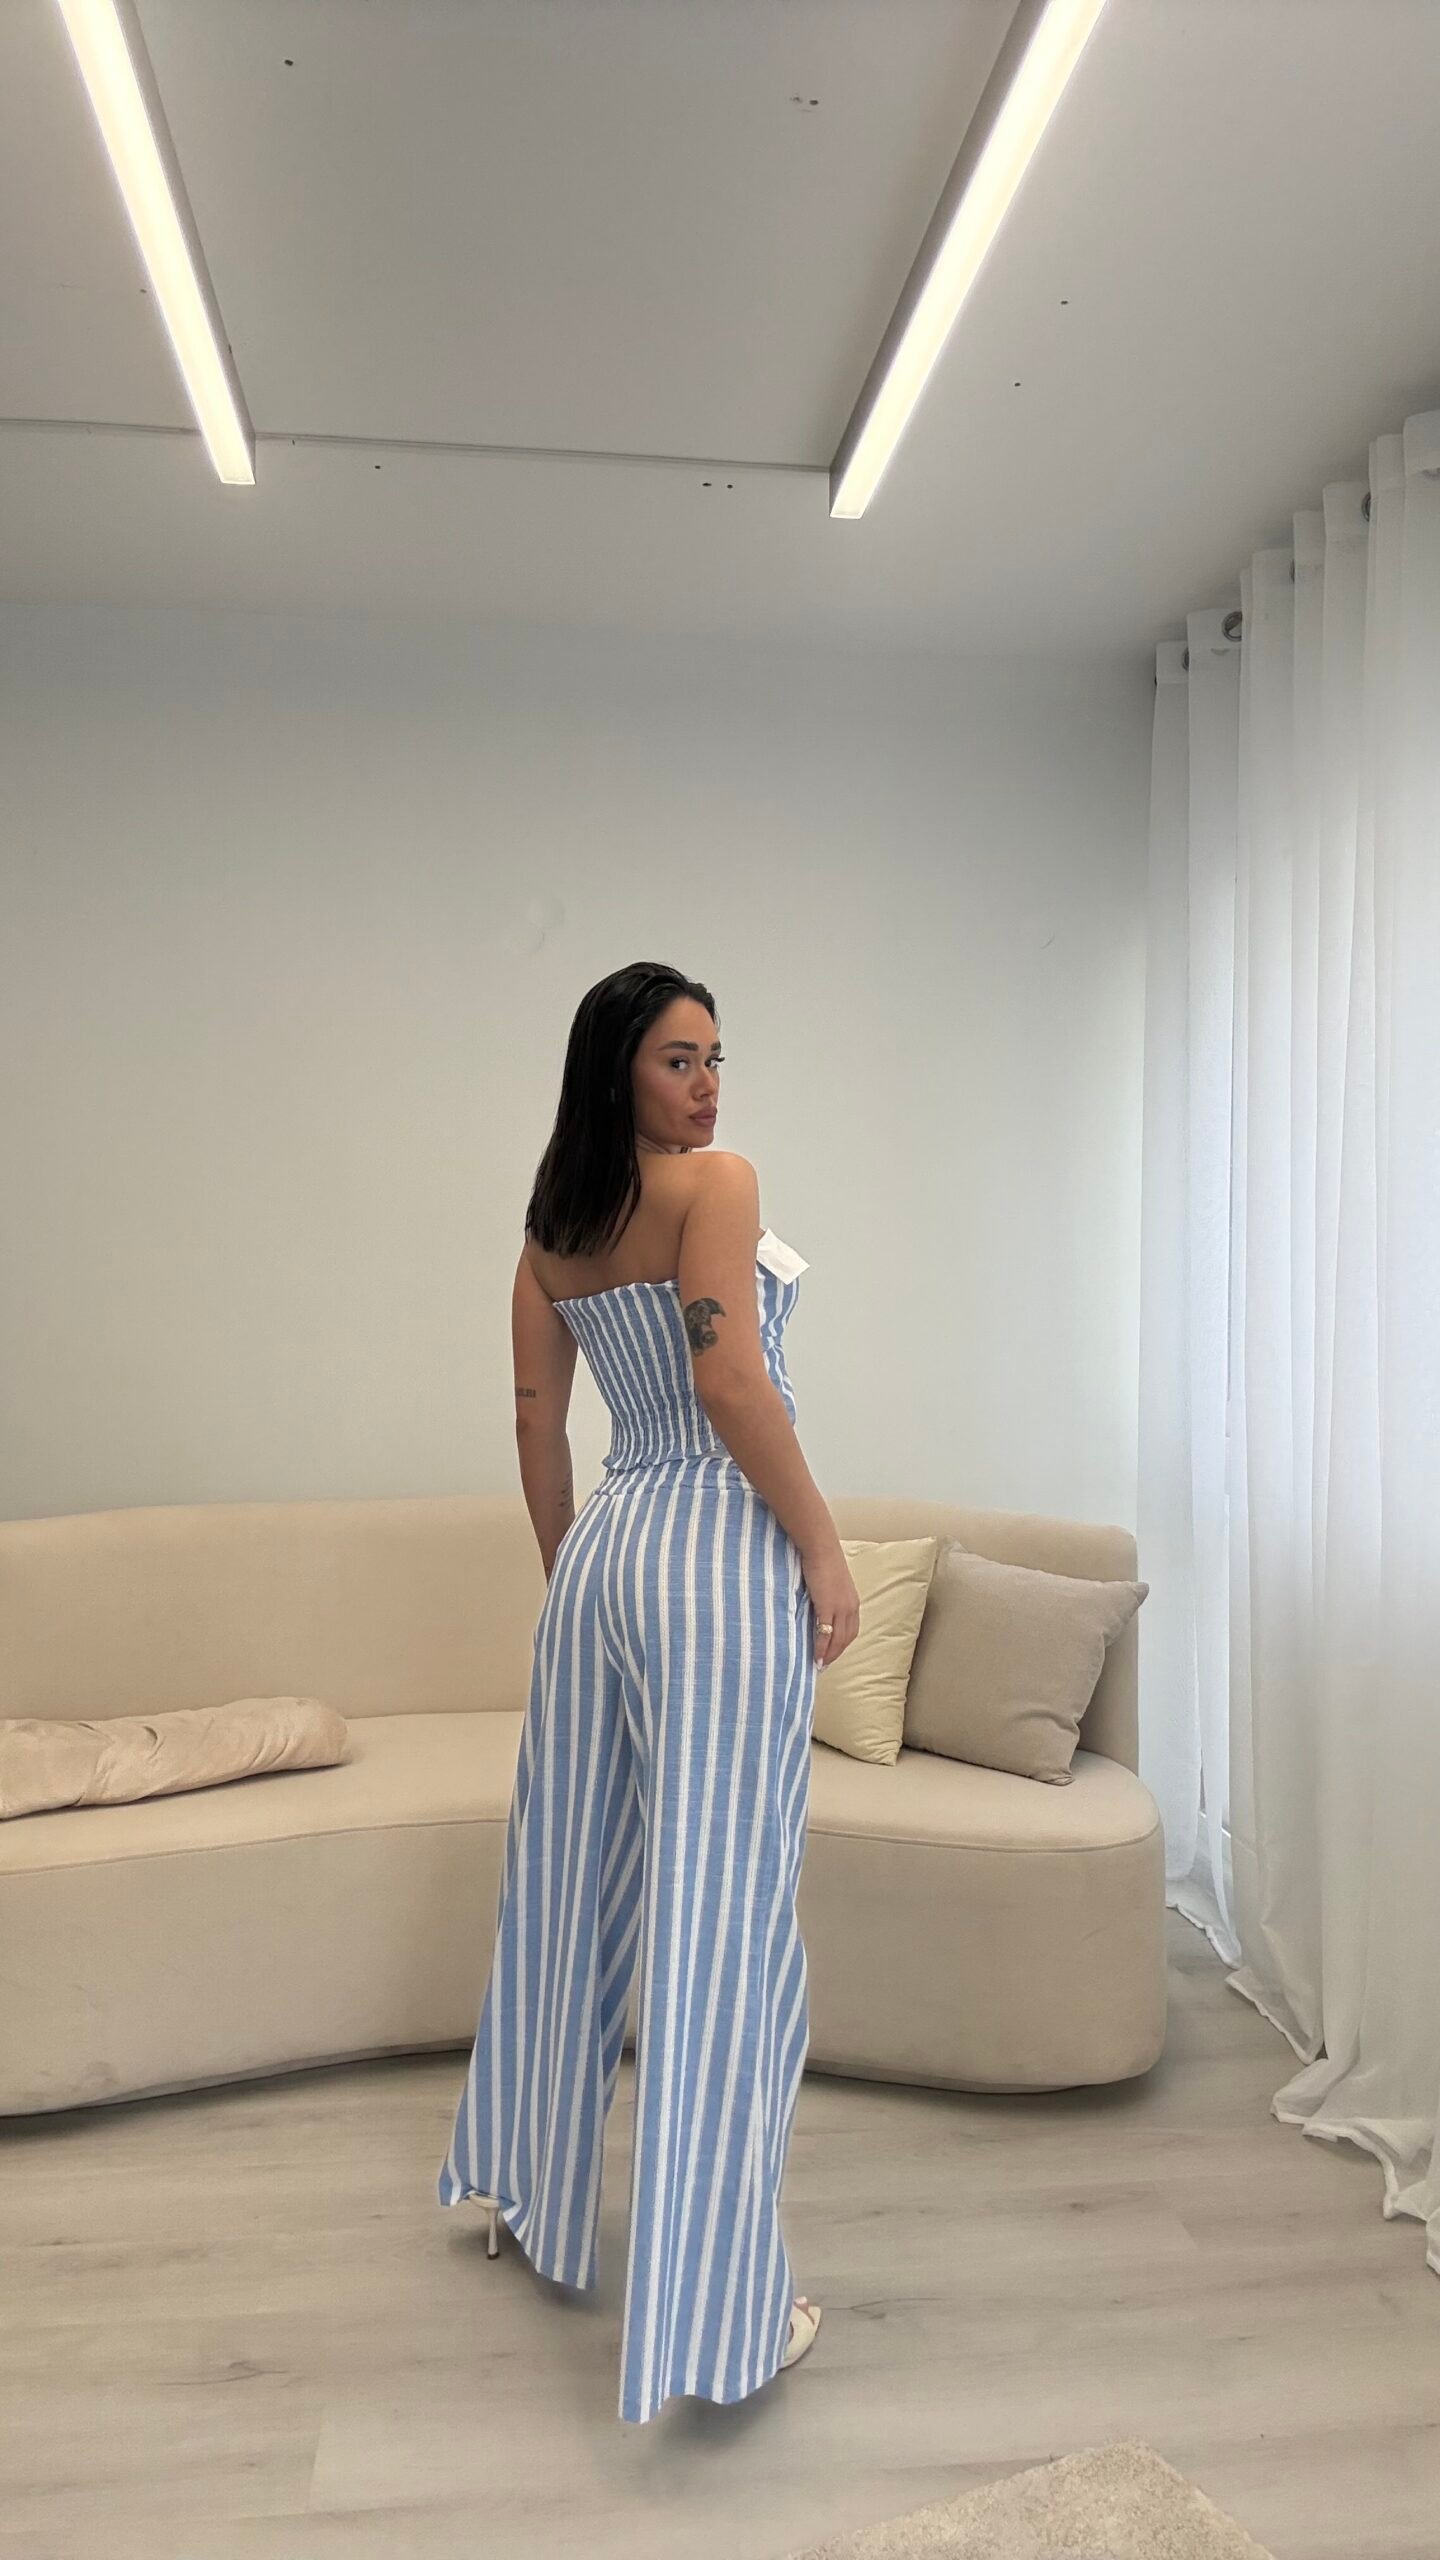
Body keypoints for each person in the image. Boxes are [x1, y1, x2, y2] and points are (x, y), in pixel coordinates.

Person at [436, 960, 860, 2425]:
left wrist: (575, 1579)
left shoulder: (551, 1233)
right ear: (615, 1065)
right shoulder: (715, 1188)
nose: (709, 1085)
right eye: (680, 1058)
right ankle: (723, 2312)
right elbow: (733, 1386)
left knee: (568, 1886)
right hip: (716, 1554)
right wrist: (822, 1550)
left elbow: (536, 1425)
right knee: (722, 1926)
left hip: (609, 1550)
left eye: (717, 1057)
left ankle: (530, 2193)